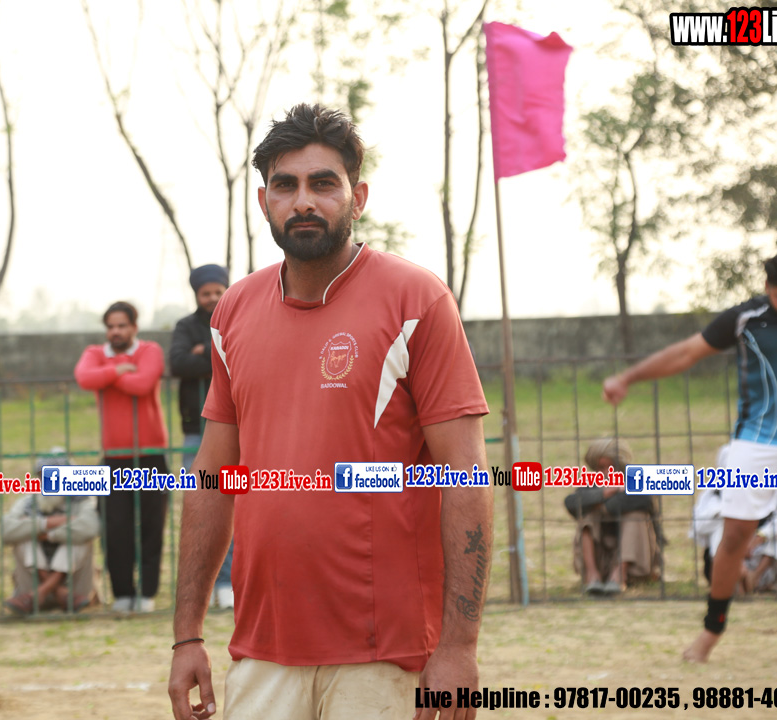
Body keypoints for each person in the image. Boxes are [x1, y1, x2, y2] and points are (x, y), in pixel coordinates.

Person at [167, 104, 493, 720]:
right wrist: (187, 635)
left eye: (323, 183)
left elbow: (467, 476)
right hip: (263, 648)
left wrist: (458, 647)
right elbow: (211, 478)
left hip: (387, 652)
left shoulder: (416, 299)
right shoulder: (233, 311)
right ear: (264, 201)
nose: (303, 202)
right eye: (285, 186)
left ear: (357, 197)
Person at [603, 250, 777, 669]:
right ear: (768, 288)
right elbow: (685, 353)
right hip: (754, 446)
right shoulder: (745, 318)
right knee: (735, 536)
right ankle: (712, 631)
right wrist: (628, 377)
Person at [75, 301, 169, 613]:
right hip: (113, 457)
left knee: (151, 526)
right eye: (111, 326)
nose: (116, 331)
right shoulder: (95, 353)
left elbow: (143, 384)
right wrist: (117, 370)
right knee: (116, 528)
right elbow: (84, 377)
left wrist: (107, 378)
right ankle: (123, 594)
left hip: (151, 454)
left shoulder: (150, 350)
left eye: (122, 325)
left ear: (134, 327)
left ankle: (147, 594)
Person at [170, 263, 234, 610]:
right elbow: (178, 363)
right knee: (201, 505)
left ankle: (230, 582)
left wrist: (203, 351)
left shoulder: (239, 318)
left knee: (237, 504)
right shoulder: (185, 326)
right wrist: (218, 352)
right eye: (205, 293)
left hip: (238, 428)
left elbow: (244, 359)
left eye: (217, 292)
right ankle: (204, 586)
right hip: (196, 430)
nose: (212, 298)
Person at [2, 455, 101, 614]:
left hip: (76, 592)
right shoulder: (27, 502)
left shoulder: (83, 500)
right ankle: (52, 591)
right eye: (42, 477)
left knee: (79, 538)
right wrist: (46, 523)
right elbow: (6, 530)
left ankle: (41, 592)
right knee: (24, 537)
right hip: (30, 588)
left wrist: (49, 535)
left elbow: (90, 527)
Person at [563, 438, 661, 595]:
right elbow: (571, 503)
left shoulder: (636, 480)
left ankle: (619, 575)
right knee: (588, 516)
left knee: (635, 514)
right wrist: (605, 492)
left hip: (635, 561)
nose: (607, 473)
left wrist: (602, 505)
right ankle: (592, 575)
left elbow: (646, 499)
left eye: (611, 467)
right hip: (602, 558)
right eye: (601, 468)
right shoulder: (592, 484)